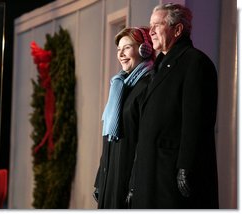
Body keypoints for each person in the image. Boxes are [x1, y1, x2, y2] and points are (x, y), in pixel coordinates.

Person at [127, 3, 219, 209]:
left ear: (177, 30)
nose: (150, 31)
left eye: (157, 25)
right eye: (150, 26)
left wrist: (186, 166)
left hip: (170, 176)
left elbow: (196, 121)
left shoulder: (195, 63)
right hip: (149, 174)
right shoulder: (157, 65)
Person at [93, 27, 155, 208]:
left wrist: (134, 185)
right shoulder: (119, 85)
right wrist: (99, 179)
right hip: (109, 176)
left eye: (127, 48)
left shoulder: (148, 85)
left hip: (127, 179)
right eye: (119, 49)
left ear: (145, 49)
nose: (121, 54)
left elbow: (144, 142)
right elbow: (108, 139)